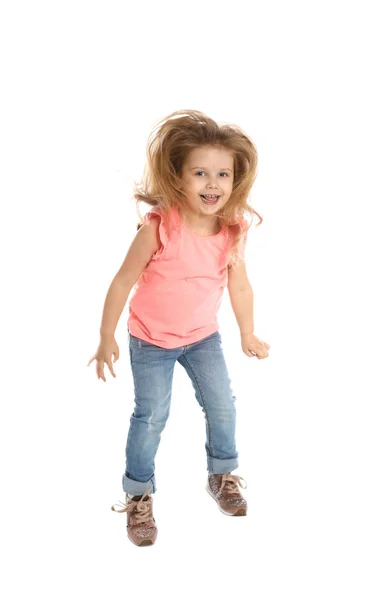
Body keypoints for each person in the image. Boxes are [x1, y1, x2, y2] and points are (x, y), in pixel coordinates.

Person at [87, 109, 271, 547]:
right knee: (151, 416)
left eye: (222, 174)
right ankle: (138, 495)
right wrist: (106, 335)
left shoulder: (232, 231)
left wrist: (247, 332)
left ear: (235, 178)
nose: (213, 184)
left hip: (203, 337)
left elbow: (239, 286)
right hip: (150, 339)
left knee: (223, 405)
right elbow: (122, 280)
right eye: (200, 173)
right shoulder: (159, 228)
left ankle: (222, 474)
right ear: (177, 177)